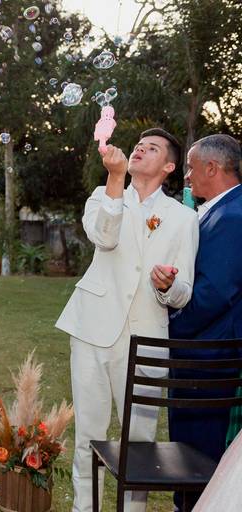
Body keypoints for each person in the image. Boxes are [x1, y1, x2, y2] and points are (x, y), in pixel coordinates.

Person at [55, 128, 199, 512]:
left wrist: (168, 286)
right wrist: (115, 178)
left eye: (151, 148)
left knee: (140, 443)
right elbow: (105, 237)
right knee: (88, 434)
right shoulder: (103, 195)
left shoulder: (184, 218)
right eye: (138, 146)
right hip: (92, 330)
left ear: (169, 166)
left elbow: (184, 291)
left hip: (147, 338)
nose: (139, 150)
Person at [167, 134, 242, 512]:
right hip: (206, 354)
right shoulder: (219, 210)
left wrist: (169, 326)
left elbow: (214, 293)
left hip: (211, 358)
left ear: (212, 168)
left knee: (200, 460)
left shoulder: (232, 216)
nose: (186, 176)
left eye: (191, 167)